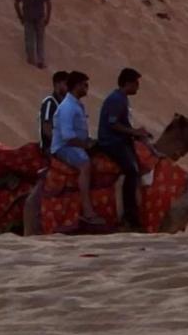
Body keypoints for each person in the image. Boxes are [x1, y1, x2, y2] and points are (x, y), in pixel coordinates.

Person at [97, 68, 150, 230]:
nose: (138, 87)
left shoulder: (122, 99)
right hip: (111, 142)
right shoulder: (116, 100)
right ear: (127, 83)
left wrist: (137, 133)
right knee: (131, 171)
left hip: (121, 140)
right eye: (136, 83)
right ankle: (130, 213)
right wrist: (134, 132)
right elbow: (113, 124)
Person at [50, 70, 104, 225]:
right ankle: (88, 211)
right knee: (85, 164)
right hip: (63, 147)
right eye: (84, 85)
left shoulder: (77, 105)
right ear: (76, 86)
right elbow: (67, 136)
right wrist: (86, 145)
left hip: (76, 143)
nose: (87, 88)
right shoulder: (68, 107)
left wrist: (90, 142)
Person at [14, 0, 51, 68]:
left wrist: (20, 16)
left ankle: (31, 62)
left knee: (29, 39)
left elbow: (16, 3)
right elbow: (48, 4)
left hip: (28, 17)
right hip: (40, 16)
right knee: (40, 39)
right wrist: (48, 17)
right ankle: (40, 61)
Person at [39, 71, 68, 155]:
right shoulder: (50, 103)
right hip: (51, 148)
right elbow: (46, 129)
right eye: (66, 84)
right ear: (57, 84)